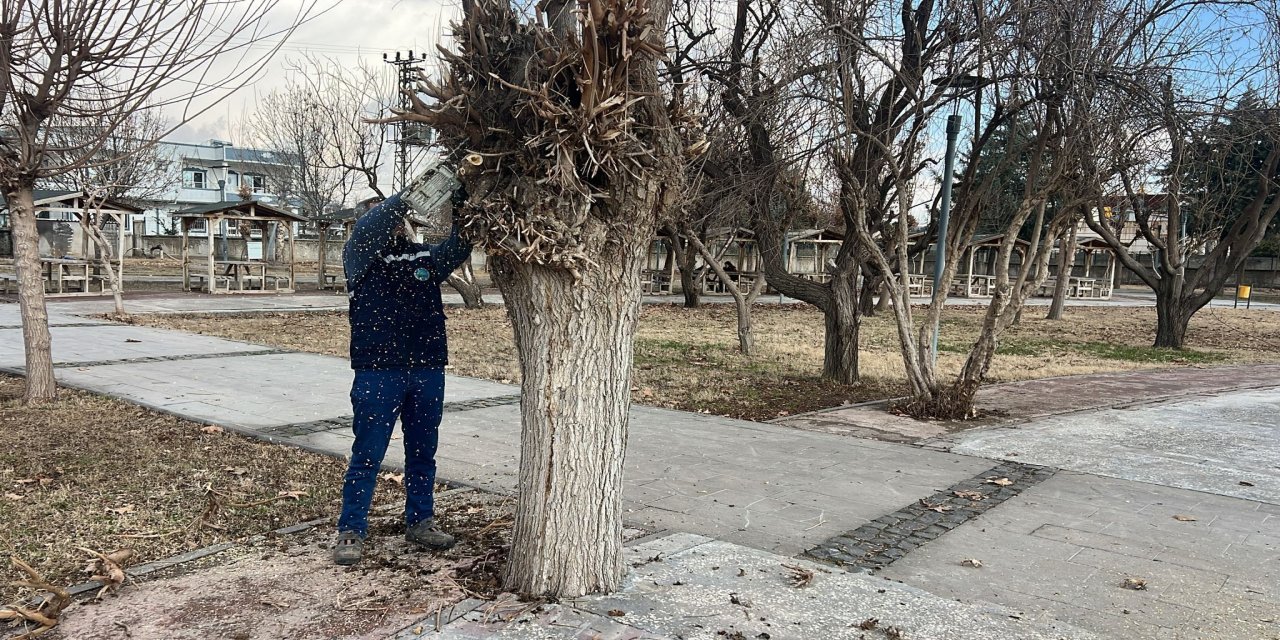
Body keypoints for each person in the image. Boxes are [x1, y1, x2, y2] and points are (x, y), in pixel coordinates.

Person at [332, 186, 472, 566]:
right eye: (388, 217)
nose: (394, 224)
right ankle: (351, 529)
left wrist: (463, 200)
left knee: (423, 453)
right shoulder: (359, 256)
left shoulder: (420, 256)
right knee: (368, 454)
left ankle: (420, 521)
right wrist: (413, 193)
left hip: (427, 369)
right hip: (378, 372)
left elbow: (460, 246)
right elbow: (372, 227)